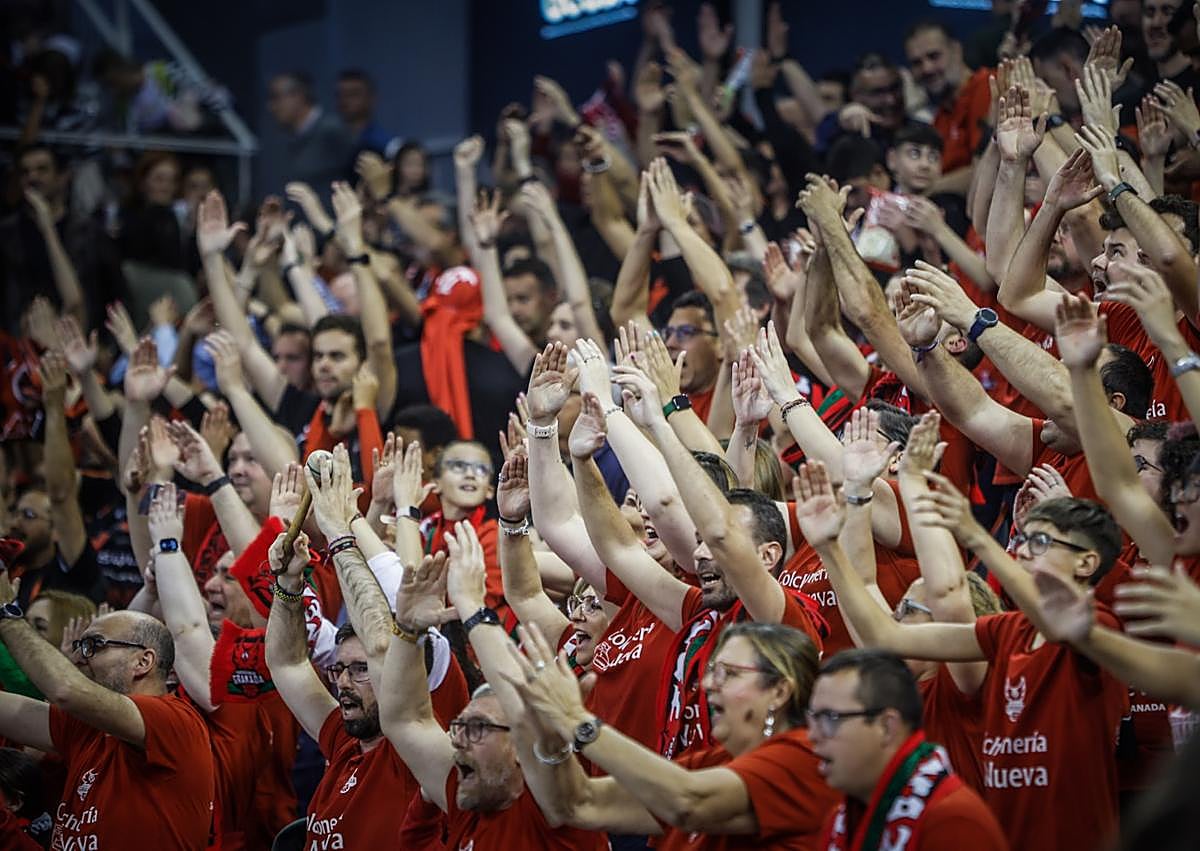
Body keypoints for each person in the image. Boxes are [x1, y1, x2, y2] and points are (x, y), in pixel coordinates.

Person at [508, 620, 840, 850]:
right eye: (711, 671)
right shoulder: (717, 762)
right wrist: (548, 735)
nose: (707, 684)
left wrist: (576, 719)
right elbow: (577, 804)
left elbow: (687, 802)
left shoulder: (806, 757)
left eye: (728, 674)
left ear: (780, 690)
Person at [0, 573, 214, 849]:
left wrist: (7, 614)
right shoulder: (89, 727)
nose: (77, 657)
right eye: (79, 646)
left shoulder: (175, 720)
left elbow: (65, 690)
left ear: (143, 661)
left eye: (93, 646)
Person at [809, 649, 1008, 851]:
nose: (813, 735)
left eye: (830, 718)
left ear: (887, 727)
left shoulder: (954, 823)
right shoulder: (842, 818)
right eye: (813, 717)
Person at [904, 21, 991, 191]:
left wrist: (922, 195)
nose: (927, 68)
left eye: (934, 56)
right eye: (917, 63)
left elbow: (990, 171)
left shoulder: (988, 87)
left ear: (956, 51)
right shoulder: (940, 119)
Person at [266, 71, 356, 192]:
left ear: (298, 96)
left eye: (276, 97)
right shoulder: (293, 139)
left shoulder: (334, 132)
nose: (271, 106)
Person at [335, 69, 395, 156]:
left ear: (371, 98)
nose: (344, 101)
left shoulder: (386, 146)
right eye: (340, 95)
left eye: (353, 94)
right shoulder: (330, 144)